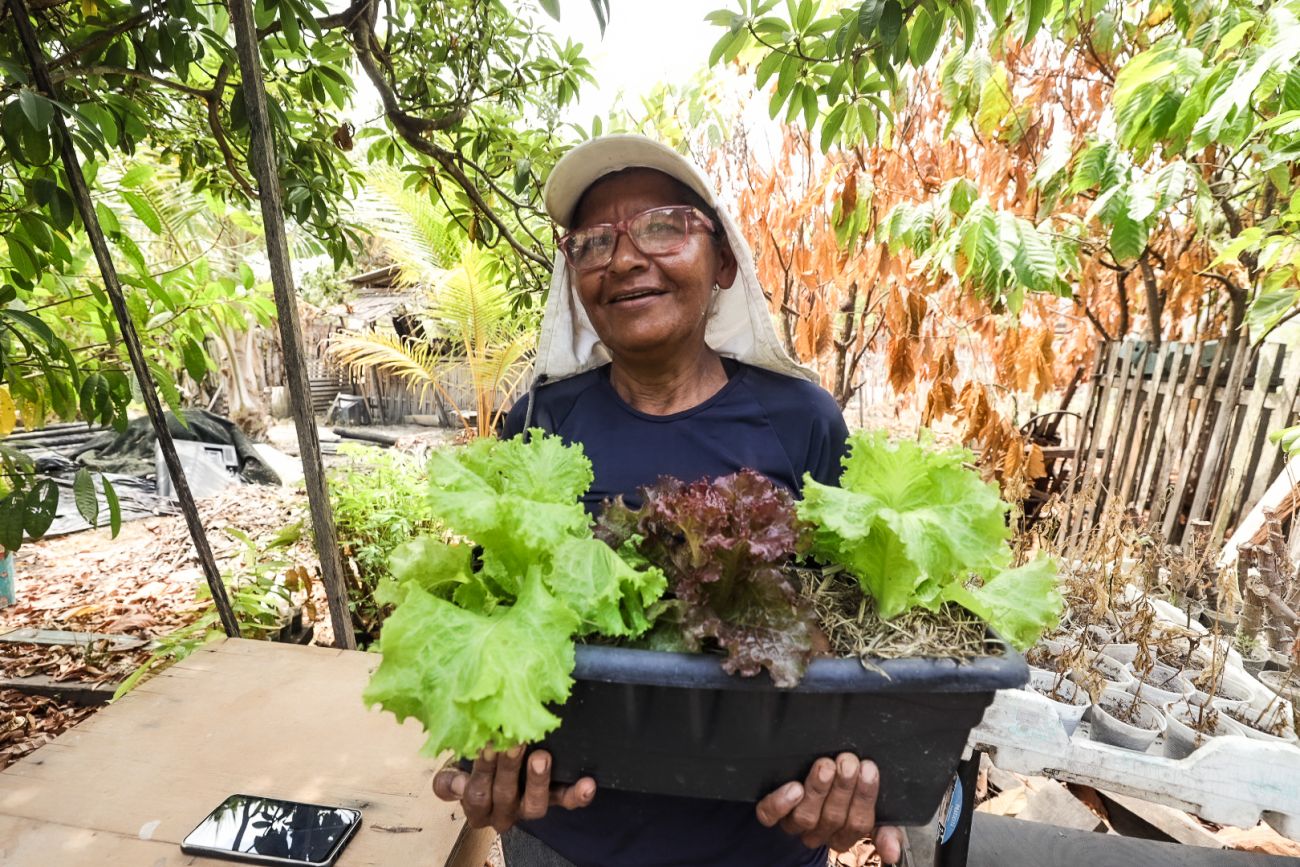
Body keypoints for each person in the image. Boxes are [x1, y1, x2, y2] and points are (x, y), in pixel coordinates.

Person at [432, 134, 903, 866]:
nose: (623, 259)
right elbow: (499, 616)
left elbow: (853, 634)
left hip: (760, 843)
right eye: (592, 243)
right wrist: (487, 744)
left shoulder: (802, 421)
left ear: (723, 262)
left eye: (662, 225)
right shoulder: (542, 420)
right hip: (571, 837)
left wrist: (863, 777)